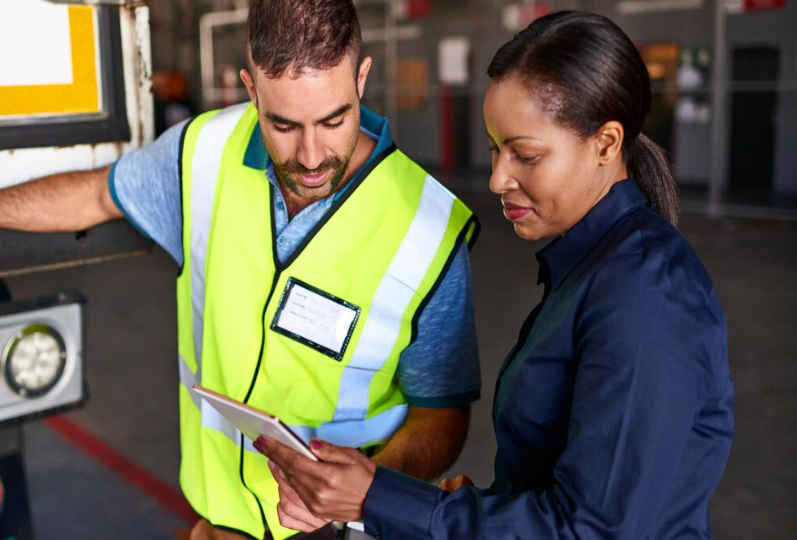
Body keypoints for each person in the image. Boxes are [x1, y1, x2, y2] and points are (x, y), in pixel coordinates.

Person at [0, 1, 481, 538]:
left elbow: (443, 416)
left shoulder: (426, 229)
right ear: (249, 88)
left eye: (332, 120)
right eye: (283, 125)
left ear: (361, 79)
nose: (311, 155)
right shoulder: (202, 153)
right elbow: (93, 194)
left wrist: (359, 491)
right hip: (218, 522)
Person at [258, 11, 734, 539]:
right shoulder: (590, 270)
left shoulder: (646, 290)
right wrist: (487, 505)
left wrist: (378, 497)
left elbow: (595, 531)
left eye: (525, 155)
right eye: (494, 148)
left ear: (605, 143)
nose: (498, 177)